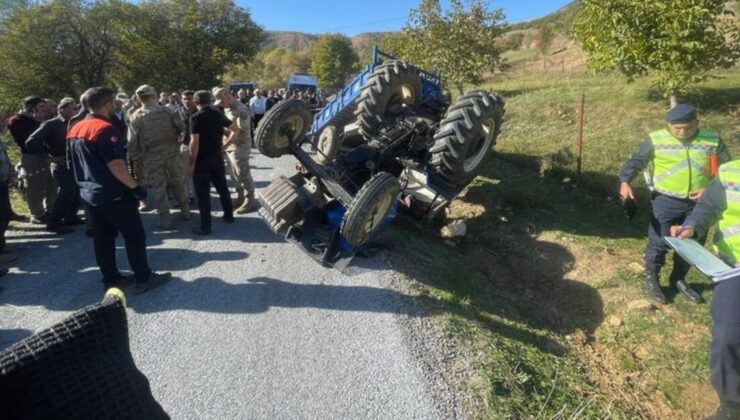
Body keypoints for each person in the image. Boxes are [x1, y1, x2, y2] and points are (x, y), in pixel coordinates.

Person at [619, 104, 731, 304]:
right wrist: (625, 181)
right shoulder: (656, 139)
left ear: (697, 123)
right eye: (676, 128)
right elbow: (636, 161)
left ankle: (678, 279)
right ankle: (652, 278)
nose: (681, 132)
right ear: (668, 125)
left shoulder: (712, 140)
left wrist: (710, 189)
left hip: (700, 203)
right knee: (659, 241)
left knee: (692, 243)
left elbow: (727, 170)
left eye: (687, 127)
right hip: (665, 201)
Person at [67, 86, 171, 294]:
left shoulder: (75, 128)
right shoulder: (104, 129)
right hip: (113, 193)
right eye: (113, 102)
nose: (115, 105)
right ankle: (143, 278)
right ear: (106, 104)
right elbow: (116, 164)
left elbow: (72, 163)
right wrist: (135, 187)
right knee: (134, 236)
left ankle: (111, 279)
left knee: (103, 239)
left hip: (90, 194)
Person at [670, 159, 740, 419]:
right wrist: (692, 225)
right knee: (727, 337)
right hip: (734, 270)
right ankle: (732, 406)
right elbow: (709, 205)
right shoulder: (732, 171)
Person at [128, 85, 189, 230]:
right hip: (171, 152)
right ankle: (185, 210)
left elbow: (132, 141)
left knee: (159, 187)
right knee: (178, 181)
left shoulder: (136, 116)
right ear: (154, 95)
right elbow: (182, 128)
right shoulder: (168, 111)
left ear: (138, 98)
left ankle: (165, 219)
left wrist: (134, 158)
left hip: (151, 156)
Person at [25, 97, 82, 234]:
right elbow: (31, 141)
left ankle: (70, 217)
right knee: (66, 192)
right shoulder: (52, 124)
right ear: (62, 109)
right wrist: (48, 158)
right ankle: (53, 223)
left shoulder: (75, 122)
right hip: (61, 164)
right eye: (74, 108)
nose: (77, 111)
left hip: (75, 162)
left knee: (75, 190)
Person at [188, 90, 235, 235]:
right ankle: (229, 216)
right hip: (216, 157)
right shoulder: (217, 113)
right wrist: (225, 146)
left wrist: (192, 163)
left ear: (196, 102)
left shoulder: (195, 117)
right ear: (209, 101)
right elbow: (235, 129)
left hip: (202, 160)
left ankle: (205, 227)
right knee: (223, 188)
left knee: (203, 195)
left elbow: (194, 142)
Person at [6, 96, 57, 224]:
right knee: (35, 186)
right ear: (31, 108)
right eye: (41, 107)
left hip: (48, 155)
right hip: (31, 156)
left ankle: (51, 210)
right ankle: (37, 214)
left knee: (52, 184)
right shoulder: (16, 120)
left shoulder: (45, 119)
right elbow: (26, 140)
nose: (45, 111)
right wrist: (37, 122)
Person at [214, 87, 257, 213]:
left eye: (222, 102)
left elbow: (239, 131)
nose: (221, 105)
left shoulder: (241, 109)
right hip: (230, 146)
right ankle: (241, 197)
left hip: (240, 146)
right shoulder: (228, 108)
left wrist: (224, 139)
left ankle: (250, 200)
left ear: (227, 96)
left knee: (242, 173)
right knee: (233, 174)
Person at [178, 90, 197, 201]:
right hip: (185, 146)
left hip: (200, 146)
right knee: (185, 174)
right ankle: (187, 196)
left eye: (189, 98)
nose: (187, 101)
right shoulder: (178, 113)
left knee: (200, 173)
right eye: (184, 98)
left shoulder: (199, 111)